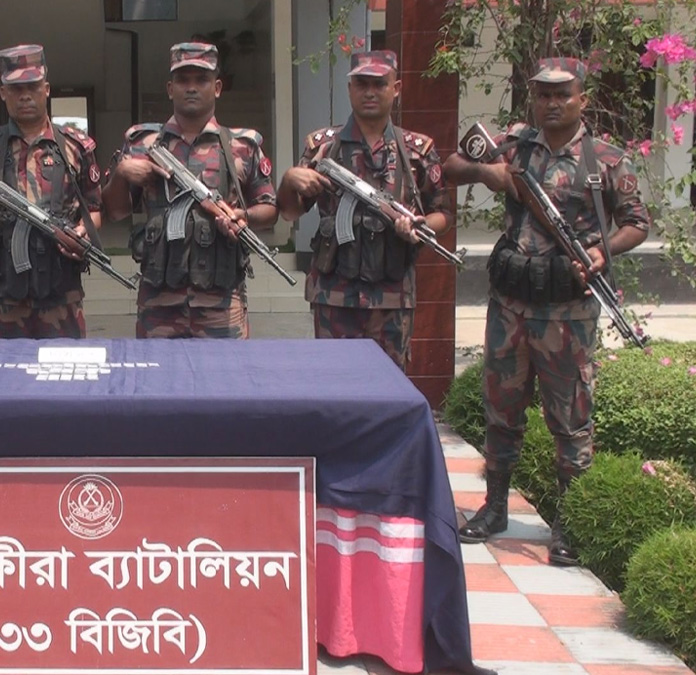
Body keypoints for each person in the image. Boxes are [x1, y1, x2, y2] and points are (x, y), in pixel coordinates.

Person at [443, 57, 650, 565]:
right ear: (533, 99)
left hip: (568, 313)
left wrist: (602, 251)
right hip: (510, 306)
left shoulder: (606, 160)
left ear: (583, 99)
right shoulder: (515, 146)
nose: (553, 103)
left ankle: (568, 524)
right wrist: (489, 173)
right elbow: (450, 167)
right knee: (501, 411)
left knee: (570, 421)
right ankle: (494, 508)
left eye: (563, 94)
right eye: (544, 95)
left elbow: (637, 222)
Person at [277, 50, 451, 370]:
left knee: (390, 385)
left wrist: (420, 226)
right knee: (334, 383)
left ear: (396, 88)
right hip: (334, 296)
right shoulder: (322, 147)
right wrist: (289, 180)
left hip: (392, 297)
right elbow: (289, 213)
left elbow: (443, 213)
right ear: (350, 89)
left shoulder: (416, 151)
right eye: (361, 84)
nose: (370, 92)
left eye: (379, 84)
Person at [102, 42, 278, 339]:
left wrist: (243, 216)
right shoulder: (141, 144)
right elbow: (115, 211)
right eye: (183, 80)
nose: (192, 88)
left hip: (222, 302)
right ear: (170, 89)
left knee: (227, 371)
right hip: (159, 303)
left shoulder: (242, 146)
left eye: (202, 80)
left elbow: (270, 209)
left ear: (217, 88)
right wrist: (121, 174)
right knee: (157, 371)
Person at [0, 44, 102, 339]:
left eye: (32, 86)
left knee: (65, 368)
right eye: (16, 88)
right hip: (2, 298)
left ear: (47, 89)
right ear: (3, 93)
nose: (25, 95)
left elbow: (95, 210)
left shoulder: (76, 147)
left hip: (61, 297)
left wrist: (83, 232)